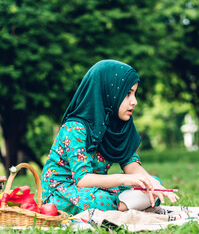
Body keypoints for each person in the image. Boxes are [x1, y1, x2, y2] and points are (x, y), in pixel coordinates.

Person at [40, 60, 179, 215]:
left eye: (134, 93)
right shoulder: (75, 128)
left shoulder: (118, 124)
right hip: (64, 191)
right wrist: (124, 180)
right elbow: (83, 180)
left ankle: (123, 205)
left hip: (98, 187)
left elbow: (131, 165)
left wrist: (152, 184)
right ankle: (123, 204)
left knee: (152, 184)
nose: (134, 101)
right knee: (99, 200)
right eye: (127, 94)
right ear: (109, 92)